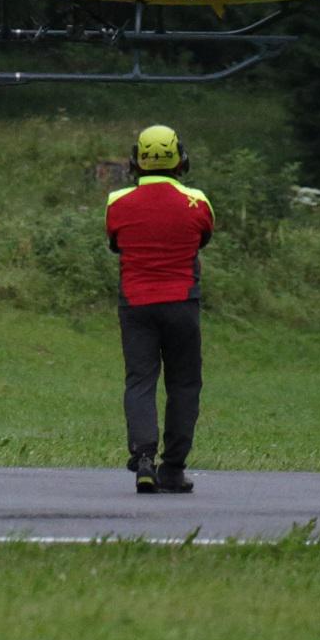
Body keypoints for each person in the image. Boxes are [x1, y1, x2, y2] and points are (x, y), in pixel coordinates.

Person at [105, 124, 215, 494]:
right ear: (181, 159)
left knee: (140, 380)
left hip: (135, 303)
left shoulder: (117, 202)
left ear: (136, 160)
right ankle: (173, 468)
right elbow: (202, 239)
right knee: (183, 383)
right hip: (182, 303)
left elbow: (116, 244)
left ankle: (144, 458)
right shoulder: (197, 202)